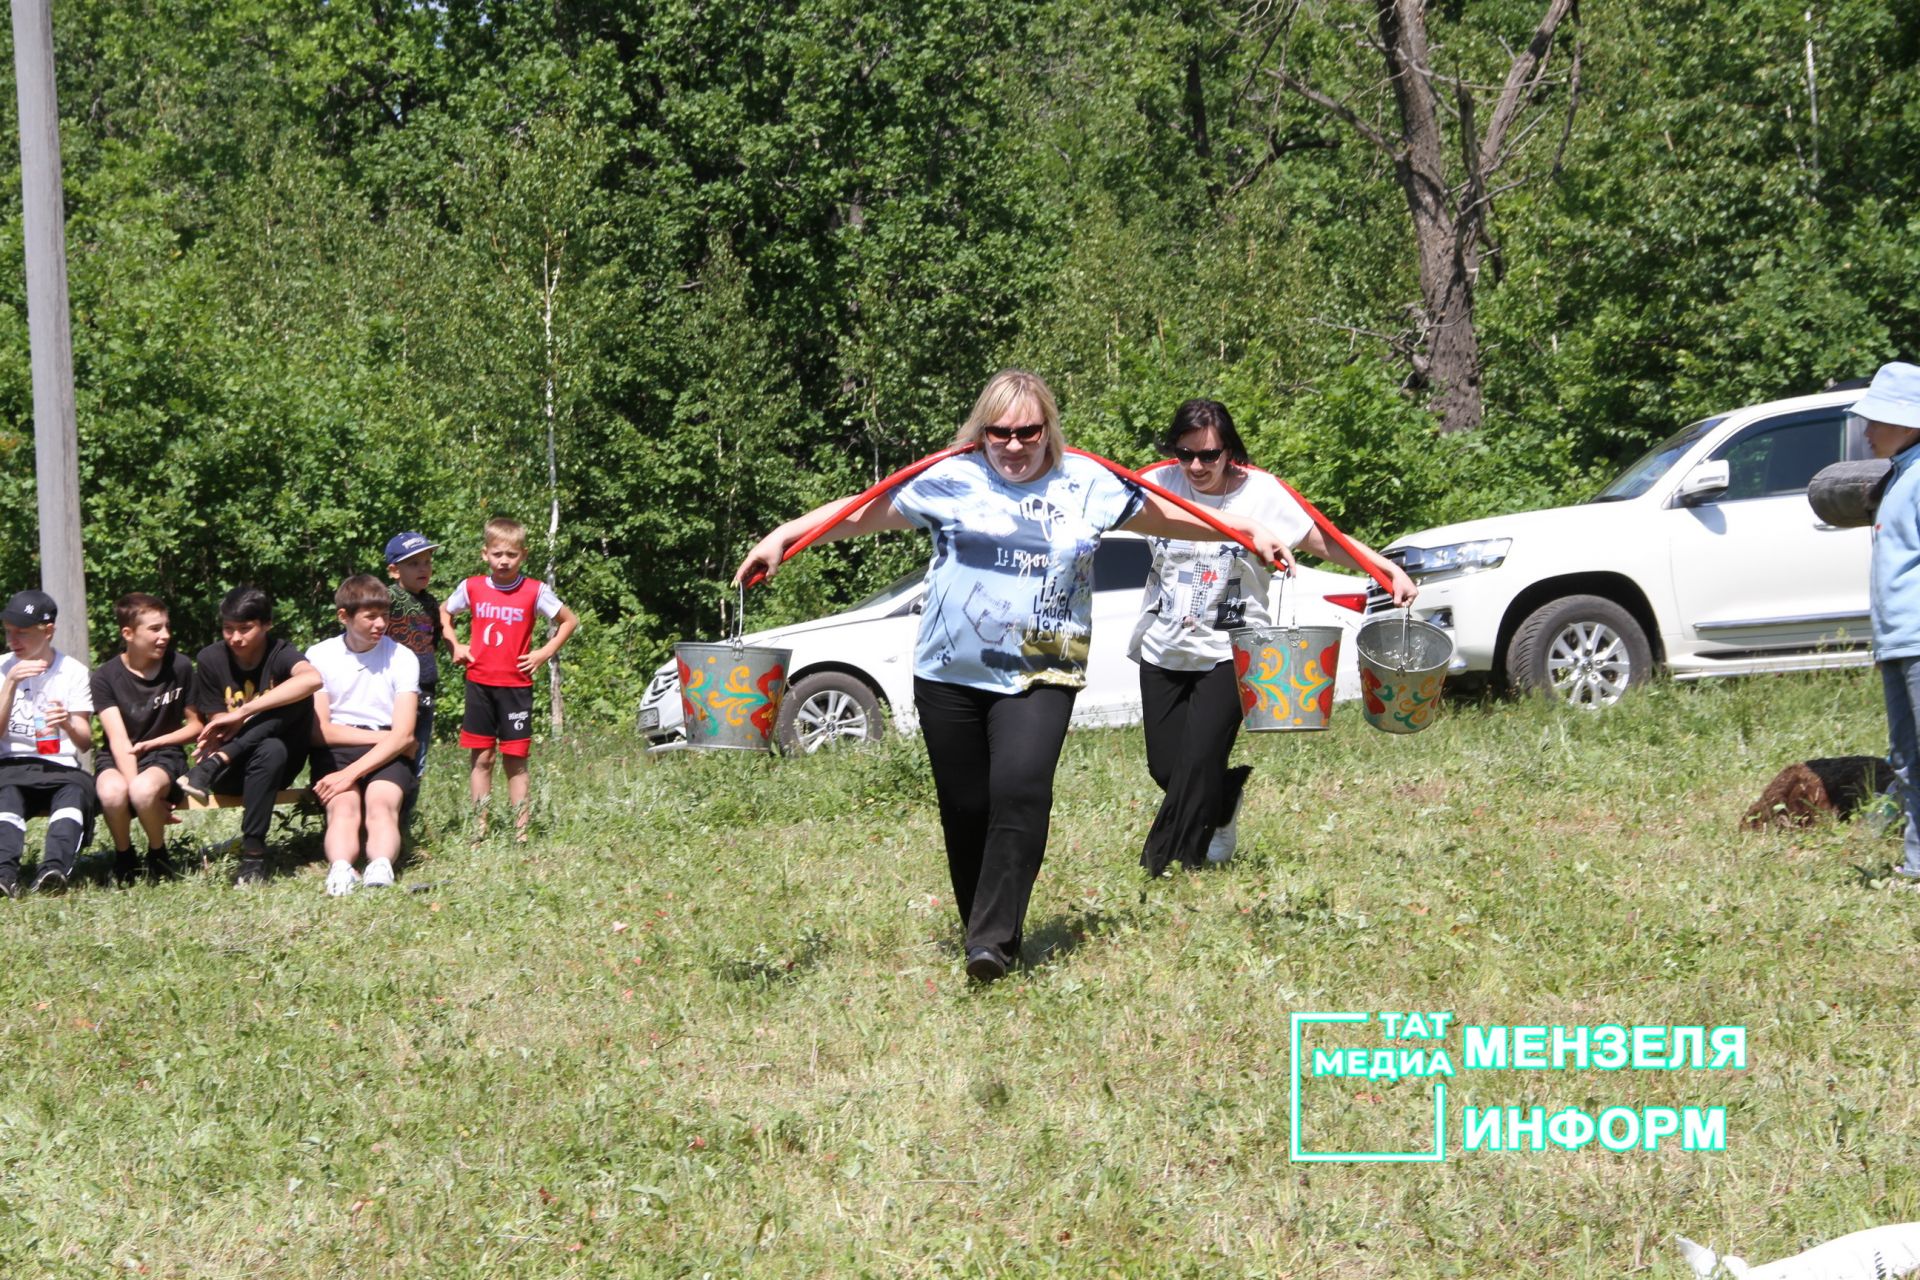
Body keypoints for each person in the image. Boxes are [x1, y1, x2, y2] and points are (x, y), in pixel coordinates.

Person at [734, 369, 1294, 982]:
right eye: (999, 432)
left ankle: (992, 943)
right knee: (966, 807)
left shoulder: (1087, 483)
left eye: (1027, 431)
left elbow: (1168, 515)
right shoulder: (951, 478)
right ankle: (984, 922)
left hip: (1043, 665)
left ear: (1047, 429)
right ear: (983, 431)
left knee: (1021, 790)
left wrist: (1245, 530)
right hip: (949, 672)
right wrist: (783, 539)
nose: (1013, 445)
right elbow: (860, 514)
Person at [1130, 399, 1417, 876]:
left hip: (1232, 649)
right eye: (1185, 454)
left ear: (1229, 452)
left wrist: (1383, 569)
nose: (1196, 466)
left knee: (1198, 761)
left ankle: (1167, 867)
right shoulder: (1155, 482)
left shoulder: (1263, 493)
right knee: (1166, 768)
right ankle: (1223, 804)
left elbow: (1324, 537)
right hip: (1163, 645)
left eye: (1209, 455)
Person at [438, 516, 579, 842]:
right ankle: (479, 829)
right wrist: (454, 644)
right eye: (498, 554)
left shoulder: (534, 591)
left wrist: (544, 652)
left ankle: (521, 832)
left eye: (511, 555)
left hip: (516, 686)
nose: (504, 561)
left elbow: (569, 621)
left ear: (523, 555)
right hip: (480, 683)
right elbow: (445, 612)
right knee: (482, 757)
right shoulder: (471, 587)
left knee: (515, 759)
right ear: (484, 554)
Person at [181, 586, 323, 886]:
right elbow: (220, 728)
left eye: (245, 629)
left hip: (277, 767)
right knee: (270, 745)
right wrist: (231, 730)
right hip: (233, 767)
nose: (235, 638)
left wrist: (244, 711)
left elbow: (312, 679)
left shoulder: (281, 652)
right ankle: (253, 860)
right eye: (228, 629)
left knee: (297, 699)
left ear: (266, 625)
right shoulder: (210, 659)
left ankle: (212, 765)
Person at [308, 575, 421, 895]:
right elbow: (321, 732)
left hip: (386, 753)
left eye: (385, 615)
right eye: (370, 616)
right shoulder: (320, 655)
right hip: (342, 748)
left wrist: (352, 772)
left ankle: (380, 865)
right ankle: (341, 868)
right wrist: (394, 740)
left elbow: (405, 732)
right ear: (344, 616)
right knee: (343, 808)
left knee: (381, 804)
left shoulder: (402, 657)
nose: (380, 624)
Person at [1857, 361, 1920, 886]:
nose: (1866, 430)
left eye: (1876, 420)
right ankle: (1917, 862)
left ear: (1908, 421)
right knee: (1906, 755)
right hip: (1898, 642)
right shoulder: (1899, 476)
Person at [91, 593, 200, 884]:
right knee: (113, 793)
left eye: (166, 627)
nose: (164, 636)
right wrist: (135, 790)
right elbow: (117, 740)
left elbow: (195, 726)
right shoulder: (105, 676)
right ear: (128, 633)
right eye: (154, 629)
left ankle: (158, 854)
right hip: (119, 755)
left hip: (165, 755)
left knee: (143, 790)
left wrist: (157, 744)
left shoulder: (180, 667)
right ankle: (125, 857)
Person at [0, 590, 95, 896]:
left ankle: (52, 872)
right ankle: (3, 876)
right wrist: (11, 683)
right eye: (8, 631)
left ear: (48, 631)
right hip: (10, 765)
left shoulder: (74, 672)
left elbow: (84, 742)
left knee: (75, 793)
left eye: (22, 633)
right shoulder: (2, 668)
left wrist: (66, 720)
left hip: (60, 765)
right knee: (6, 798)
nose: (13, 640)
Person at [384, 531, 443, 784]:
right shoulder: (387, 598)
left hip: (425, 686)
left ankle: (405, 816)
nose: (423, 568)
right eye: (413, 563)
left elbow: (435, 639)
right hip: (392, 688)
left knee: (417, 753)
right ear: (395, 571)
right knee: (391, 748)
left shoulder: (431, 602)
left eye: (427, 562)